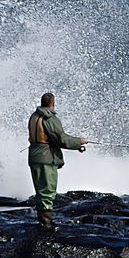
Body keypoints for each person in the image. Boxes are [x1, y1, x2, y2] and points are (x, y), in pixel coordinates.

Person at [27, 92, 87, 230]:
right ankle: (46, 224)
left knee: (41, 191)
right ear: (52, 104)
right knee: (47, 191)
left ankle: (44, 222)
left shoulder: (34, 116)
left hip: (34, 156)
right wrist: (79, 142)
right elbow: (62, 140)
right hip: (46, 159)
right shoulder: (49, 118)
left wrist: (76, 146)